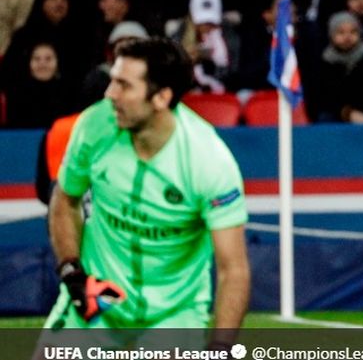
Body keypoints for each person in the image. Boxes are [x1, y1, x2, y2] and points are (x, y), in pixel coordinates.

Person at [37, 38, 250, 350]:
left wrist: (221, 350)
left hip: (174, 316)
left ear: (162, 97)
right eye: (112, 81)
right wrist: (72, 275)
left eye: (124, 85)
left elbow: (234, 270)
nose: (110, 93)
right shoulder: (94, 125)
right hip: (96, 305)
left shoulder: (210, 161)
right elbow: (65, 199)